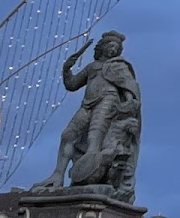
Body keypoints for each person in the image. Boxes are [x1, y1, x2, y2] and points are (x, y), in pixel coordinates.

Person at [33, 31, 140, 194]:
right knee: (68, 135)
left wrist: (128, 104)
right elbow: (72, 84)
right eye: (110, 45)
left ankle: (91, 177)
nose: (113, 49)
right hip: (87, 104)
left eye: (116, 47)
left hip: (108, 101)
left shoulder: (119, 66)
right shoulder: (92, 67)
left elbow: (129, 90)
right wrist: (67, 68)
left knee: (94, 141)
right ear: (102, 47)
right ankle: (57, 175)